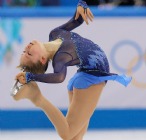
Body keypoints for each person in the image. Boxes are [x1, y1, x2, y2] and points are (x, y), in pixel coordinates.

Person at [14, 0, 132, 140]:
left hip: (83, 75)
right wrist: (30, 77)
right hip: (91, 79)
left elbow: (76, 21)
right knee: (68, 133)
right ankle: (38, 99)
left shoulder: (55, 33)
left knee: (77, 136)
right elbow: (59, 77)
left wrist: (81, 5)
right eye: (28, 54)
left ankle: (38, 98)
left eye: (24, 50)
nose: (27, 48)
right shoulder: (59, 58)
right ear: (43, 60)